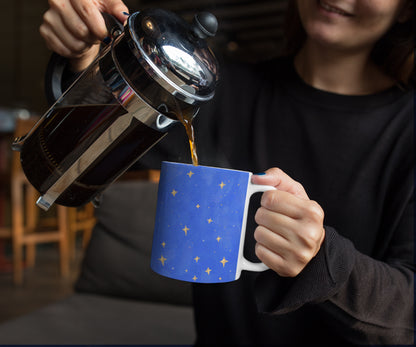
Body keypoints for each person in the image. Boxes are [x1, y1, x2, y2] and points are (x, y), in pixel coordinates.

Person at [39, 0, 414, 344]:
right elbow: (91, 155)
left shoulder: (406, 129)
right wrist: (87, 59)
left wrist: (323, 261)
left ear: (406, 9)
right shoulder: (214, 92)